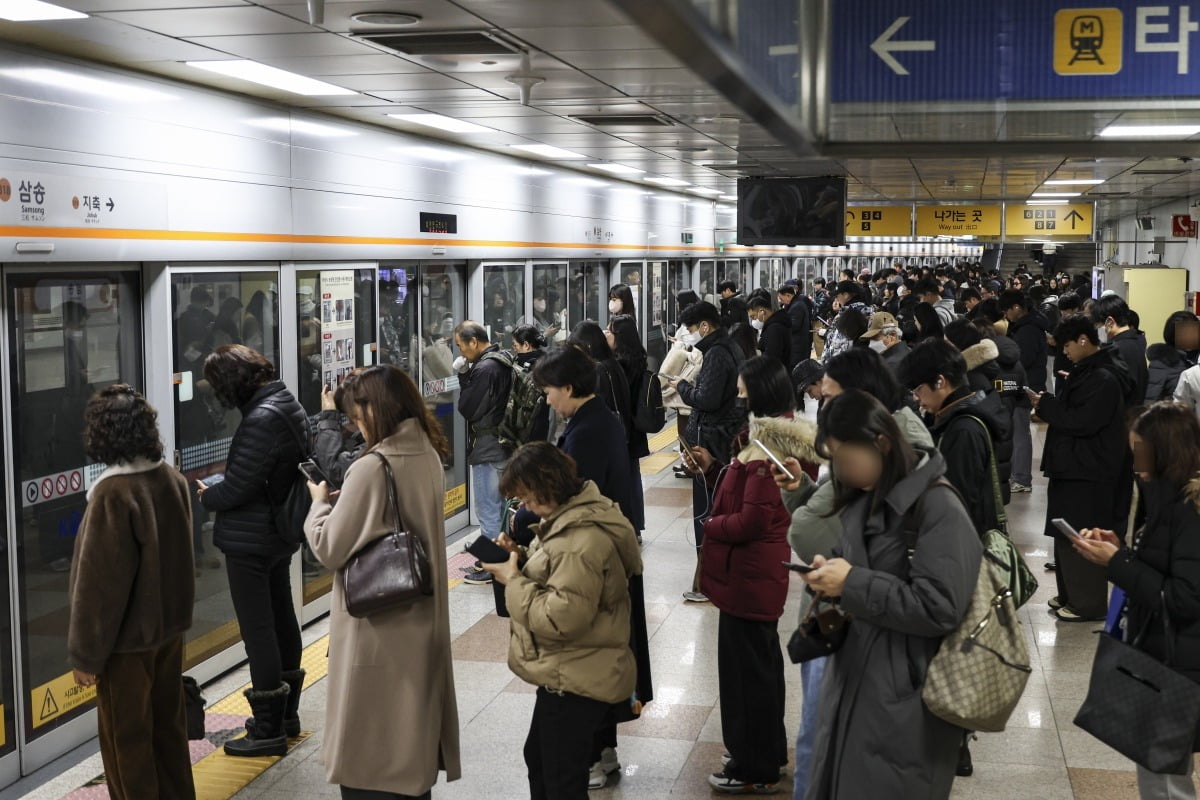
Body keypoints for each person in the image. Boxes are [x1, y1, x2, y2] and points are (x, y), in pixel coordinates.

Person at [797, 390, 981, 800]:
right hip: (859, 680)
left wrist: (852, 583)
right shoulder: (868, 498)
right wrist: (829, 575)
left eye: (846, 460)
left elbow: (940, 606)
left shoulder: (939, 508)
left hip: (906, 701)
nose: (842, 472)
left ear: (880, 442)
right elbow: (857, 567)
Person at [303, 366, 461, 800]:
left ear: (378, 410)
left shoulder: (372, 467)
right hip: (421, 617)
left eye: (357, 415)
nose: (357, 424)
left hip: (377, 625)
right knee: (409, 746)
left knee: (371, 756)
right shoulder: (427, 453)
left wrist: (319, 506)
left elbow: (331, 547)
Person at [484, 443, 642, 800]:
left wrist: (513, 581)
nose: (524, 507)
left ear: (545, 486)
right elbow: (560, 577)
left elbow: (561, 618)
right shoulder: (573, 518)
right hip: (573, 667)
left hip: (577, 674)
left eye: (526, 498)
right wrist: (519, 557)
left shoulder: (579, 540)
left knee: (559, 777)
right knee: (541, 759)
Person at [526, 346, 653, 789]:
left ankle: (597, 754)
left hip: (594, 561)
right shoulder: (594, 419)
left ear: (569, 387)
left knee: (594, 655)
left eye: (548, 391)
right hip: (604, 555)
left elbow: (569, 493)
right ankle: (602, 750)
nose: (546, 400)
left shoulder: (588, 430)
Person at [67, 385, 195, 800]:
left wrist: (86, 655)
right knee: (168, 730)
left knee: (129, 743)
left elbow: (98, 588)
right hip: (168, 634)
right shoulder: (171, 480)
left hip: (125, 646)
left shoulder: (112, 494)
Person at [686, 357, 803, 794]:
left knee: (745, 678)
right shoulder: (772, 439)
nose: (738, 401)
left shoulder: (770, 448)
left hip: (750, 576)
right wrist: (715, 468)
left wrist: (710, 526)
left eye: (743, 393)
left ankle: (753, 767)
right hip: (756, 577)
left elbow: (752, 521)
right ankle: (766, 753)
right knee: (761, 669)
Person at [1073, 402, 1200, 800]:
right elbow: (1165, 568)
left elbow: (1184, 597)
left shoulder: (1189, 509)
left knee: (1166, 780)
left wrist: (1118, 565)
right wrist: (1122, 551)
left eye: (1141, 451)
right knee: (1160, 771)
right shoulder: (1169, 499)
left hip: (1179, 663)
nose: (1136, 464)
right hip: (1166, 656)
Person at [197, 345, 307, 756]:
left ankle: (267, 730)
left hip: (251, 538)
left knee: (259, 631)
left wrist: (209, 496)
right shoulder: (285, 401)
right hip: (276, 533)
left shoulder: (260, 418)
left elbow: (241, 485)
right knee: (282, 619)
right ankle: (286, 714)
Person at [1029, 315, 1131, 622]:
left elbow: (1081, 422)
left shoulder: (1104, 377)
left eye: (1067, 346)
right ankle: (1071, 593)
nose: (1065, 352)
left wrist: (1046, 404)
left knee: (1083, 532)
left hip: (1090, 470)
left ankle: (1088, 603)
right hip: (1076, 467)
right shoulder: (1091, 371)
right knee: (1066, 533)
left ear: (1084, 340)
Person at [668, 301, 746, 603]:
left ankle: (708, 579)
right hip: (725, 435)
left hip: (711, 440)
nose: (688, 336)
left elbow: (707, 399)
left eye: (690, 329)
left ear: (704, 326)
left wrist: (683, 387)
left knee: (708, 510)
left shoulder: (715, 354)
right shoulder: (730, 346)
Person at [453, 321, 513, 585]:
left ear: (474, 342)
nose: (460, 351)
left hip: (488, 448)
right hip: (503, 443)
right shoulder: (503, 359)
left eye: (460, 345)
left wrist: (464, 375)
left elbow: (467, 408)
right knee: (499, 509)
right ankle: (498, 561)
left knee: (488, 510)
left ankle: (491, 567)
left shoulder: (486, 368)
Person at [1000, 289, 1051, 496]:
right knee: (1017, 431)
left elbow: (1023, 359)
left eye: (1007, 310)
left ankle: (1021, 478)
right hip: (1024, 382)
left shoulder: (1028, 329)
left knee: (1019, 433)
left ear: (1017, 308)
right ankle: (1018, 475)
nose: (1006, 315)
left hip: (1024, 384)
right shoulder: (1028, 325)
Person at [607, 314, 651, 532]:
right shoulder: (639, 358)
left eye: (610, 331)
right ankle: (636, 525)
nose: (606, 335)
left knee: (625, 480)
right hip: (635, 426)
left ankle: (629, 525)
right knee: (634, 478)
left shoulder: (617, 365)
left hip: (623, 427)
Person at [1091, 294, 1149, 404]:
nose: (1099, 331)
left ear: (1110, 322)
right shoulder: (1136, 343)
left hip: (1121, 416)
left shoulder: (1115, 350)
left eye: (1099, 326)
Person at [1148, 311, 1199, 403]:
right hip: (1174, 414)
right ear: (1172, 335)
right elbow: (1150, 399)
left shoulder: (1197, 359)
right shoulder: (1162, 361)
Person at [749, 295, 792, 367]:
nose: (754, 319)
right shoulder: (777, 323)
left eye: (753, 316)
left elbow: (771, 358)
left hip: (775, 376)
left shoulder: (774, 329)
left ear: (762, 312)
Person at [778, 283, 812, 368]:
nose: (781, 301)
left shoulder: (797, 306)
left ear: (788, 295)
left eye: (781, 299)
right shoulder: (795, 304)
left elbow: (794, 326)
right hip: (797, 347)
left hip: (796, 348)